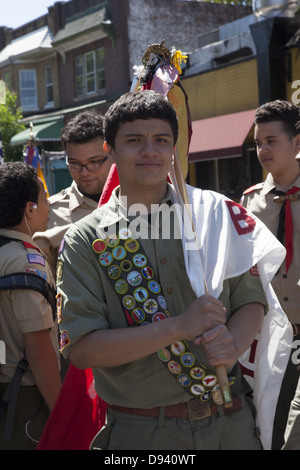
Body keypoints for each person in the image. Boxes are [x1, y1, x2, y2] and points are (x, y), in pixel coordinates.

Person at [57, 90, 286, 450]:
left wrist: (233, 343)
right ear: (110, 150)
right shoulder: (86, 238)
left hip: (231, 423)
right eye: (134, 141)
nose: (150, 151)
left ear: (174, 148)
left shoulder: (212, 215)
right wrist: (178, 327)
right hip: (146, 432)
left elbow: (251, 301)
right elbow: (83, 349)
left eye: (161, 140)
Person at [241, 100, 300, 450]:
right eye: (258, 142)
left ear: (297, 142)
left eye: (272, 141)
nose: (262, 150)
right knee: (267, 422)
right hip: (268, 335)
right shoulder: (248, 206)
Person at [0, 162, 61, 450]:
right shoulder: (27, 261)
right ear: (29, 209)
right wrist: (62, 412)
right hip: (24, 399)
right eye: (45, 197)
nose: (49, 205)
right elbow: (38, 350)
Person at [34, 110, 111, 277]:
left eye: (94, 162)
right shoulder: (49, 213)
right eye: (74, 163)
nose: (84, 172)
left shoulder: (138, 203)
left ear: (112, 154)